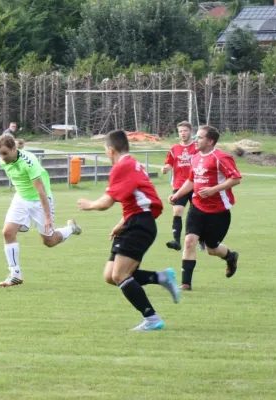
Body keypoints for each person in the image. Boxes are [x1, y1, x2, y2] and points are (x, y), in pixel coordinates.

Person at [77, 129, 179, 331]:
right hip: (135, 222)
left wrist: (90, 205)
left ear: (111, 149)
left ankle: (152, 319)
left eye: (106, 150)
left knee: (120, 275)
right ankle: (161, 277)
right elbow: (138, 199)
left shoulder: (123, 166)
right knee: (110, 275)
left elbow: (106, 202)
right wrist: (121, 223)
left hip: (139, 225)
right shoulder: (133, 164)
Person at [0, 133, 81, 287]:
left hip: (40, 201)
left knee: (49, 241)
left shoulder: (29, 162)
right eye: (0, 154)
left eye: (5, 153)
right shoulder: (2, 161)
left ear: (14, 149)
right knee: (7, 232)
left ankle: (71, 228)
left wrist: (47, 217)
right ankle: (15, 274)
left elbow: (41, 190)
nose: (2, 157)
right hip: (21, 199)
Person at [169, 125, 242, 291]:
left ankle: (231, 257)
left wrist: (213, 190)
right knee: (189, 241)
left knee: (211, 249)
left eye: (200, 137)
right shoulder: (195, 157)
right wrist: (178, 194)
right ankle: (186, 284)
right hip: (197, 208)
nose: (196, 140)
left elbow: (236, 179)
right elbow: (191, 180)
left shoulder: (221, 157)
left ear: (210, 141)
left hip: (218, 213)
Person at [161, 121, 199, 251]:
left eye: (185, 131)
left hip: (196, 184)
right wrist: (165, 168)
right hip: (179, 185)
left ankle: (202, 240)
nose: (182, 133)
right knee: (177, 211)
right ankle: (176, 241)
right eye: (180, 131)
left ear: (191, 132)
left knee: (196, 214)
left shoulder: (197, 147)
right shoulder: (174, 149)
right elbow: (169, 164)